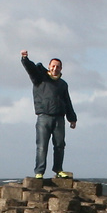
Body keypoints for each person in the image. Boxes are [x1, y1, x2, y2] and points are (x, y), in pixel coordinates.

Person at [20, 49, 77, 179]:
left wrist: (72, 118)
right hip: (43, 117)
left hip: (59, 118)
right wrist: (25, 59)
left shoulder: (63, 84)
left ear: (61, 68)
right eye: (53, 66)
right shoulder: (40, 78)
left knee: (59, 145)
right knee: (42, 146)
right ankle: (39, 172)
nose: (55, 68)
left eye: (57, 66)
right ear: (49, 67)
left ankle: (58, 170)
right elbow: (31, 69)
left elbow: (67, 101)